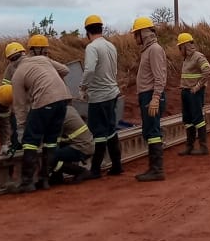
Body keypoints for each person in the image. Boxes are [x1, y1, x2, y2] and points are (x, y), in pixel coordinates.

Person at [5, 34, 72, 193]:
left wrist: (21, 131)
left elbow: (20, 106)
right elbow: (65, 69)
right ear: (24, 53)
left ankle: (27, 182)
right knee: (50, 141)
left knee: (30, 141)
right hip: (63, 99)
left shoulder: (18, 74)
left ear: (10, 61)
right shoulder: (43, 60)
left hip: (45, 101)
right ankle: (45, 180)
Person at [79, 14, 124, 179]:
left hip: (99, 96)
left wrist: (83, 88)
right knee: (111, 129)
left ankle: (96, 169)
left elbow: (89, 69)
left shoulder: (92, 47)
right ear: (101, 28)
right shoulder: (111, 46)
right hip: (112, 93)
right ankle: (117, 165)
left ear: (87, 31)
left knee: (98, 132)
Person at [131, 16, 169, 182]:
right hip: (147, 95)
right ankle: (154, 168)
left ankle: (156, 169)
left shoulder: (154, 49)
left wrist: (155, 98)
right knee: (149, 131)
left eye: (135, 34)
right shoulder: (148, 50)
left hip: (151, 95)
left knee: (153, 131)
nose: (134, 38)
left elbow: (159, 77)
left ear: (142, 33)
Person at [175, 33, 210, 156]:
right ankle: (189, 146)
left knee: (198, 118)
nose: (179, 50)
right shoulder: (186, 58)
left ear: (185, 46)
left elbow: (208, 70)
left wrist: (197, 86)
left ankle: (203, 147)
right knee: (187, 119)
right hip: (185, 91)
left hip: (194, 93)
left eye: (180, 47)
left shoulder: (198, 57)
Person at [47, 106, 94, 184]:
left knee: (52, 156)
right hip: (86, 145)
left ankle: (81, 171)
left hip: (82, 148)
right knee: (56, 154)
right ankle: (57, 177)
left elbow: (55, 141)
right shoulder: (69, 108)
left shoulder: (59, 116)